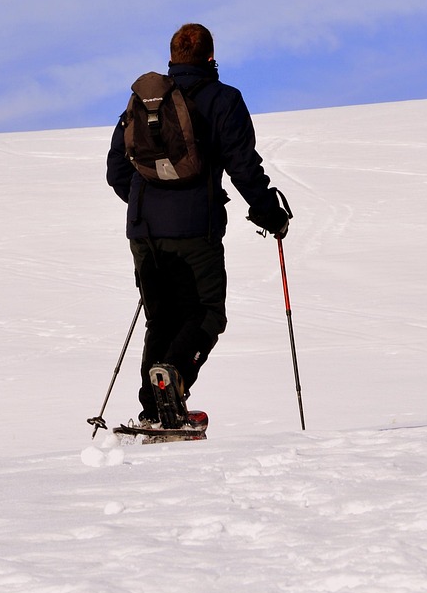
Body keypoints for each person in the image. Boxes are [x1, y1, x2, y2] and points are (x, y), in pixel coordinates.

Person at [106, 23, 291, 427]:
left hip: (142, 231)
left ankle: (155, 410)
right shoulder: (224, 100)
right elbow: (243, 167)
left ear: (172, 58)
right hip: (195, 230)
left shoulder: (143, 101)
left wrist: (145, 207)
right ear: (211, 57)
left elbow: (117, 170)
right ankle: (174, 380)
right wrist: (270, 215)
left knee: (162, 316)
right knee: (207, 312)